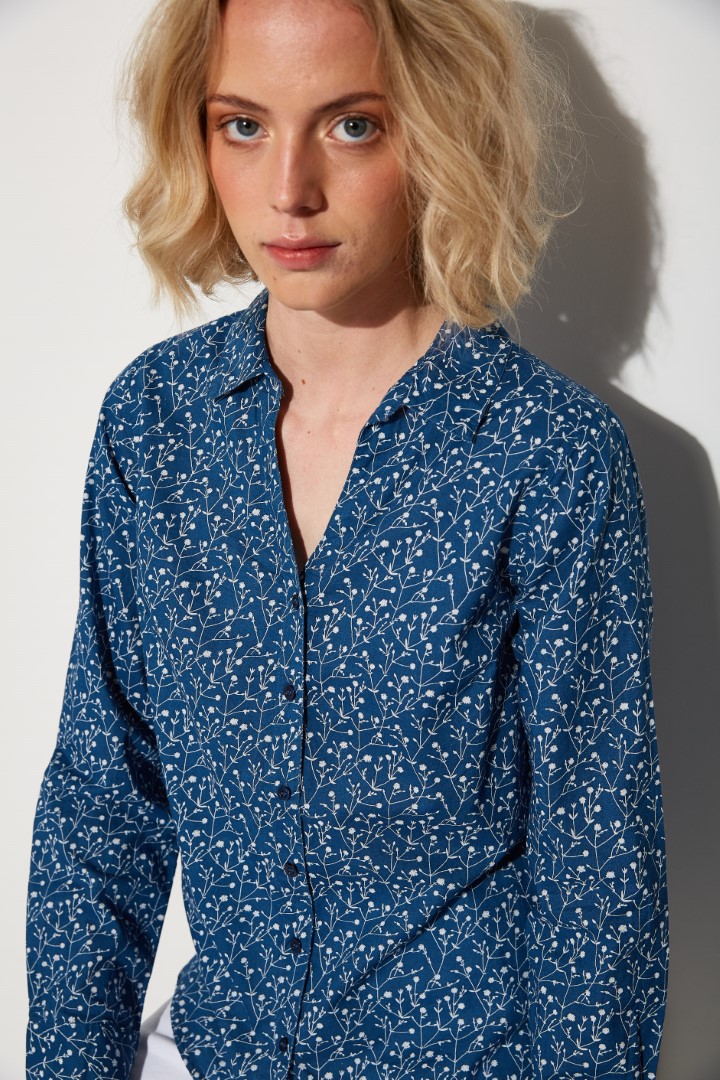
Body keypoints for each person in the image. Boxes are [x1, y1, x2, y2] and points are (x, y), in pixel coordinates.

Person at [25, 0, 669, 1077]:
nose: (290, 189)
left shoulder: (548, 451)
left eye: (352, 125)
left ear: (440, 131)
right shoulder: (155, 424)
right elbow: (105, 805)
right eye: (243, 125)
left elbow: (598, 868)